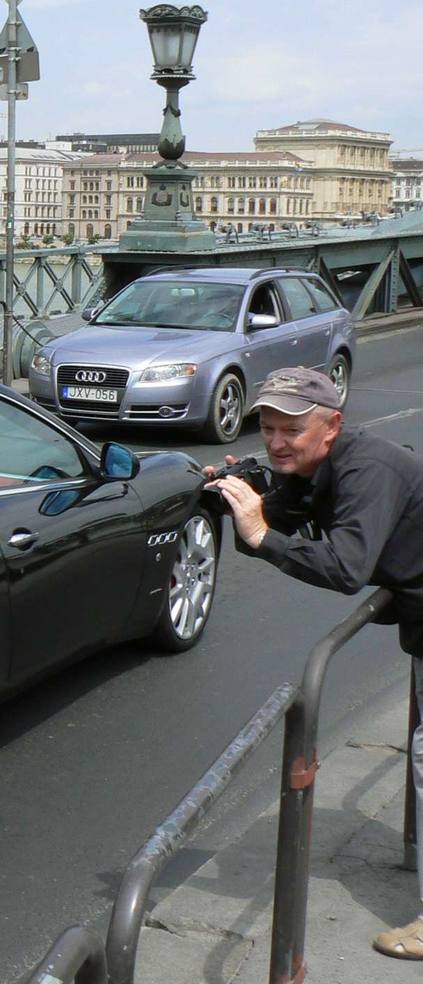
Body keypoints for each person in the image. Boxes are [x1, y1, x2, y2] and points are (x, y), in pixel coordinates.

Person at [206, 366, 423, 961]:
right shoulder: (320, 466)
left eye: (291, 430)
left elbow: (346, 566)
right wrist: (237, 499)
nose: (277, 441)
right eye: (268, 428)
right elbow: (285, 515)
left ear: (332, 426)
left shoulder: (365, 469)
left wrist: (259, 534)